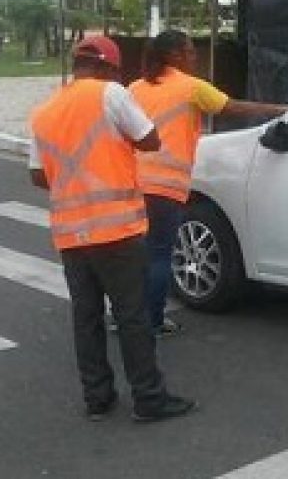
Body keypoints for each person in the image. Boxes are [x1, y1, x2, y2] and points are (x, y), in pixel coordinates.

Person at [28, 35, 195, 423]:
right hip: (117, 231)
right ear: (108, 67)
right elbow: (150, 140)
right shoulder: (111, 94)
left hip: (71, 234)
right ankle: (149, 399)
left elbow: (38, 175)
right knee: (132, 316)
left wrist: (77, 177)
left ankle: (98, 399)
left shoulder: (44, 110)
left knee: (86, 318)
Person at [128, 30, 287, 338]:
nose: (194, 57)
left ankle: (125, 316)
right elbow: (234, 107)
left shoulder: (135, 87)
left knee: (135, 256)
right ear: (173, 55)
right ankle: (153, 321)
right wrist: (280, 111)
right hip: (165, 187)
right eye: (189, 52)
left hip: (131, 185)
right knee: (160, 255)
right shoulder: (191, 87)